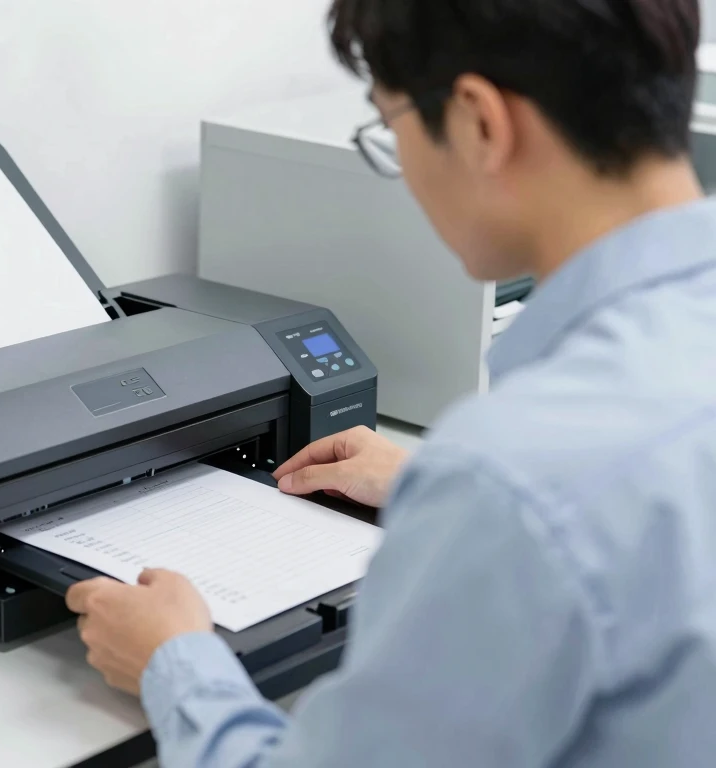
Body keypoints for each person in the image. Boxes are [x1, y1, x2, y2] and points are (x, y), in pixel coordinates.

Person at [66, 0, 716, 764]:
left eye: (389, 127)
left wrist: (171, 663)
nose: (399, 166)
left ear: (478, 122)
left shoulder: (513, 476)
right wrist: (440, 487)